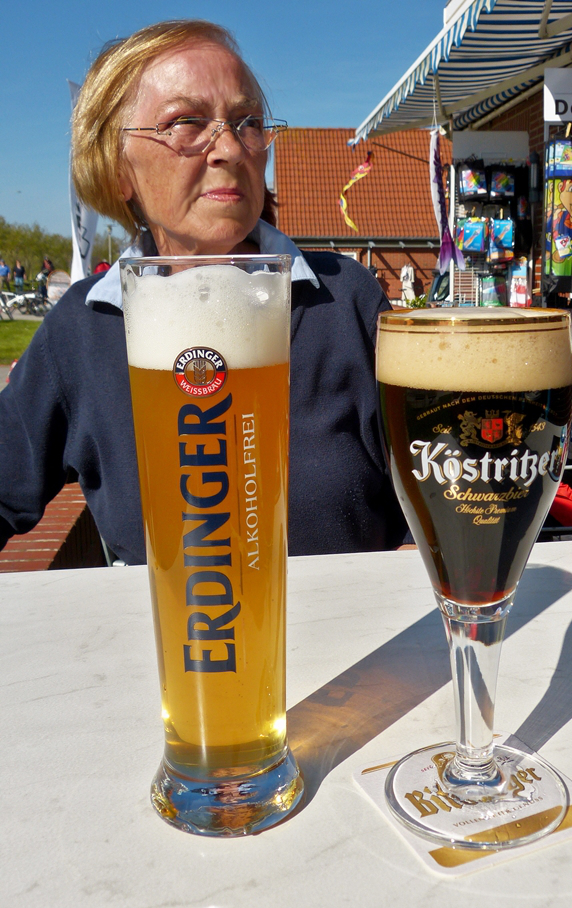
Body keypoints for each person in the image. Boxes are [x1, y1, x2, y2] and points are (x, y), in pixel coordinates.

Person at [0, 19, 408, 565]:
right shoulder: (83, 329)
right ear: (119, 168)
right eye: (186, 122)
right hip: (173, 648)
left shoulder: (345, 301)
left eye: (247, 122)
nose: (230, 149)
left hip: (359, 646)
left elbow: (434, 501)